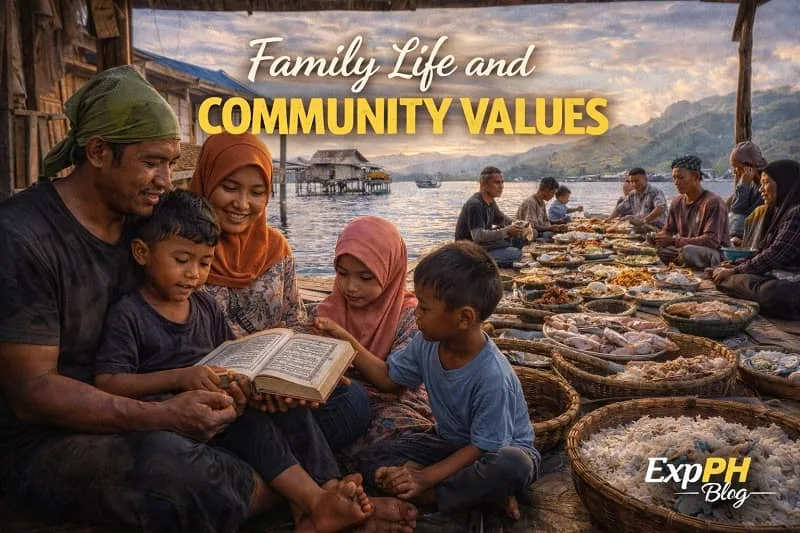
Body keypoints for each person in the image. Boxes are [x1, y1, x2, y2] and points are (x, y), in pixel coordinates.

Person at [0, 65, 297, 532]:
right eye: (152, 162)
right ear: (98, 151)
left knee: (324, 410)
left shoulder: (142, 221)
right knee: (177, 468)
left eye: (171, 162)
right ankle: (294, 496)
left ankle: (284, 492)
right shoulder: (24, 236)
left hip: (157, 395)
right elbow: (32, 393)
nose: (166, 179)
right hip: (52, 437)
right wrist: (162, 415)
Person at [93, 189, 371, 532]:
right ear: (141, 253)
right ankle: (314, 503)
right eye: (182, 260)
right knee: (253, 427)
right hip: (180, 416)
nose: (194, 274)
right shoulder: (130, 315)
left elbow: (232, 354)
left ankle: (328, 489)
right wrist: (180, 378)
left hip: (225, 402)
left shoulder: (205, 306)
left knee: (290, 408)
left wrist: (264, 380)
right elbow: (108, 383)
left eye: (205, 263)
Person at [316, 241, 540, 519]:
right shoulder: (427, 343)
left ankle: (438, 495)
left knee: (511, 466)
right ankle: (478, 494)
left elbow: (484, 446)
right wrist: (345, 340)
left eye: (423, 308)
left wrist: (426, 478)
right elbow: (388, 379)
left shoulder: (493, 376)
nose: (416, 315)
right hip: (450, 442)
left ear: (464, 318)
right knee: (371, 458)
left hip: (493, 449)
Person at [191, 132, 374, 456]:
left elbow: (295, 319)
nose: (242, 204)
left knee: (354, 401)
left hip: (279, 388)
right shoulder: (184, 249)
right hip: (219, 390)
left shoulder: (276, 248)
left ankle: (273, 473)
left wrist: (297, 375)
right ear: (206, 181)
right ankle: (289, 472)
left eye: (257, 192)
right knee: (235, 427)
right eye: (229, 187)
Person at [312, 216, 436, 459]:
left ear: (389, 272)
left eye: (365, 277)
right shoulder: (329, 311)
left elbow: (393, 382)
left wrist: (346, 341)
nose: (351, 287)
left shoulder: (411, 316)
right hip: (345, 401)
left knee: (399, 431)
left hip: (394, 399)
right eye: (342, 274)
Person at [712, 160, 800, 319]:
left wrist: (735, 270)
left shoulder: (796, 212)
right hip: (779, 276)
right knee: (726, 275)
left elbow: (775, 254)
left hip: (791, 284)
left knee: (770, 293)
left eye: (766, 183)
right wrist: (736, 264)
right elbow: (764, 251)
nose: (761, 189)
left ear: (784, 183)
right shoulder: (781, 210)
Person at [654, 156, 730, 269]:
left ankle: (685, 264)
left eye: (680, 178)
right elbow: (668, 230)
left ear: (695, 177)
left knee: (688, 251)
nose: (676, 182)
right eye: (674, 178)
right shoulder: (677, 202)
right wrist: (659, 238)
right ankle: (680, 264)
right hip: (684, 248)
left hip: (714, 253)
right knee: (656, 249)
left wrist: (674, 240)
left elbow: (712, 241)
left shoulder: (713, 202)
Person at [454, 166, 529, 267]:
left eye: (502, 182)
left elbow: (502, 219)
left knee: (519, 239)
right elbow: (478, 236)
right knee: (515, 253)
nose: (501, 186)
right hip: (469, 250)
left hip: (483, 246)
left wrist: (521, 225)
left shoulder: (490, 201)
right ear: (483, 184)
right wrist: (507, 231)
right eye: (497, 183)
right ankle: (477, 264)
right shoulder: (475, 204)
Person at [727, 141, 767, 242]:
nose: (737, 172)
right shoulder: (751, 182)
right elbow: (735, 207)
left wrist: (744, 184)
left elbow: (737, 210)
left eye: (738, 168)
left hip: (757, 225)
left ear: (749, 166)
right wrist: (744, 184)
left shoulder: (766, 181)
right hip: (746, 223)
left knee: (734, 217)